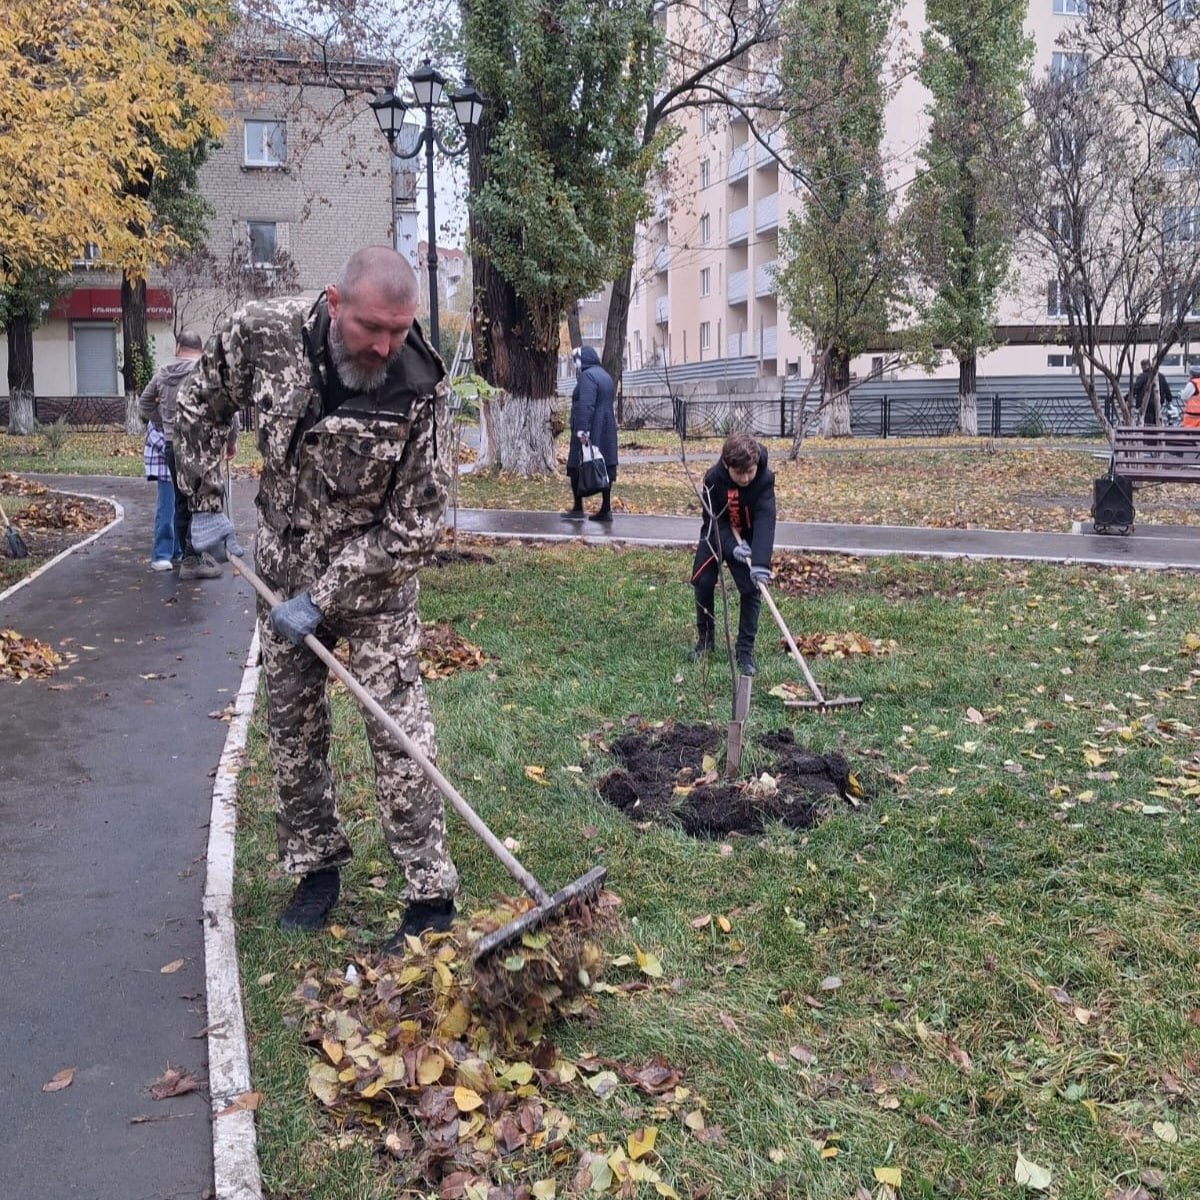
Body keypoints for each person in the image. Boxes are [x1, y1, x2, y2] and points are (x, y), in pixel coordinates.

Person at [174, 246, 459, 948]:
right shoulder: (260, 332)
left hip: (375, 585)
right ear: (335, 304)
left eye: (399, 329)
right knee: (296, 731)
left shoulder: (419, 386)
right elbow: (197, 402)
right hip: (280, 570)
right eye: (371, 328)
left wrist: (329, 596)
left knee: (400, 735)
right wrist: (205, 500)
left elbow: (417, 528)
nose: (385, 345)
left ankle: (429, 896)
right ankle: (317, 869)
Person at [138, 330, 224, 581]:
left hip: (170, 444)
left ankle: (188, 557)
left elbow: (144, 404)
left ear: (178, 347)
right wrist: (229, 441)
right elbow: (228, 408)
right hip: (200, 444)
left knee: (179, 500)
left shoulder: (163, 373)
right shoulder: (206, 372)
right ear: (200, 349)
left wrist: (165, 423)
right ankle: (193, 556)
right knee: (202, 498)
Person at [690, 431, 777, 676]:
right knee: (703, 581)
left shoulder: (764, 478)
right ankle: (705, 642)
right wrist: (730, 546)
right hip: (717, 532)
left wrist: (760, 562)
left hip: (749, 536)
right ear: (727, 465)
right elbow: (713, 520)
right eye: (740, 474)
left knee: (751, 589)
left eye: (750, 471)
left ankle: (745, 652)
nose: (747, 478)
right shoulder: (712, 479)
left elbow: (765, 518)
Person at [563, 345, 618, 522]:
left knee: (575, 466)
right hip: (607, 427)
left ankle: (578, 507)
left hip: (591, 427)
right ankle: (606, 508)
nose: (576, 365)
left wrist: (582, 430)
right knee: (605, 466)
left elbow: (586, 404)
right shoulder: (605, 375)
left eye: (576, 361)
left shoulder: (588, 376)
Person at [141, 418, 177, 570]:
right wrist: (177, 450)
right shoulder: (156, 420)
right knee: (167, 509)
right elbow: (157, 440)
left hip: (180, 467)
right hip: (166, 468)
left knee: (180, 510)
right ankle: (161, 554)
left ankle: (177, 550)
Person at [1130, 358, 1173, 426]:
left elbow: (1135, 389)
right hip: (1158, 405)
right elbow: (1167, 391)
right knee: (1157, 423)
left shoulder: (1142, 377)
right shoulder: (1161, 376)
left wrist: (1126, 398)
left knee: (1147, 425)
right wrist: (1169, 399)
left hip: (1145, 406)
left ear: (1142, 366)